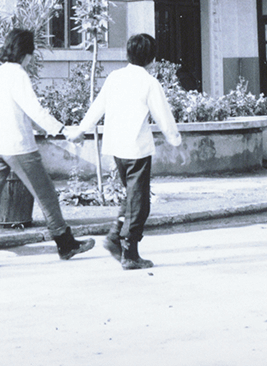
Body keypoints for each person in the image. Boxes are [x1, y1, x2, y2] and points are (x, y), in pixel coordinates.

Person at [0, 27, 95, 269]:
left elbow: (1, 110)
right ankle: (65, 243)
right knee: (46, 193)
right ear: (25, 53)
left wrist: (42, 127)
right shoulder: (18, 74)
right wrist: (62, 129)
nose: (32, 57)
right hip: (18, 146)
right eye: (31, 52)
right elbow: (33, 109)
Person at [66, 33, 182, 270]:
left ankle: (114, 237)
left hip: (116, 148)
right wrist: (175, 141)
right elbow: (163, 117)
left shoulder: (114, 77)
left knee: (132, 197)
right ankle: (130, 253)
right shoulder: (149, 82)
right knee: (140, 204)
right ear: (152, 59)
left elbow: (97, 107)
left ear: (128, 54)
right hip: (137, 150)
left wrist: (80, 130)